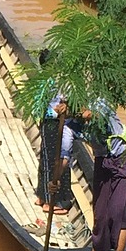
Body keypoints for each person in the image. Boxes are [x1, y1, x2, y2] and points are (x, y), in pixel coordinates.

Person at [78, 112, 126, 251]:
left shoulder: (98, 101)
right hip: (102, 162)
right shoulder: (71, 122)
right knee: (100, 211)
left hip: (122, 158)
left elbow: (101, 111)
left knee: (119, 210)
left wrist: (92, 115)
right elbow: (64, 148)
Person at [35, 94, 76, 230]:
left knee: (53, 160)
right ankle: (46, 197)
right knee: (48, 160)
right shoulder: (49, 82)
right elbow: (41, 104)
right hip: (49, 120)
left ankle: (48, 197)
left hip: (57, 122)